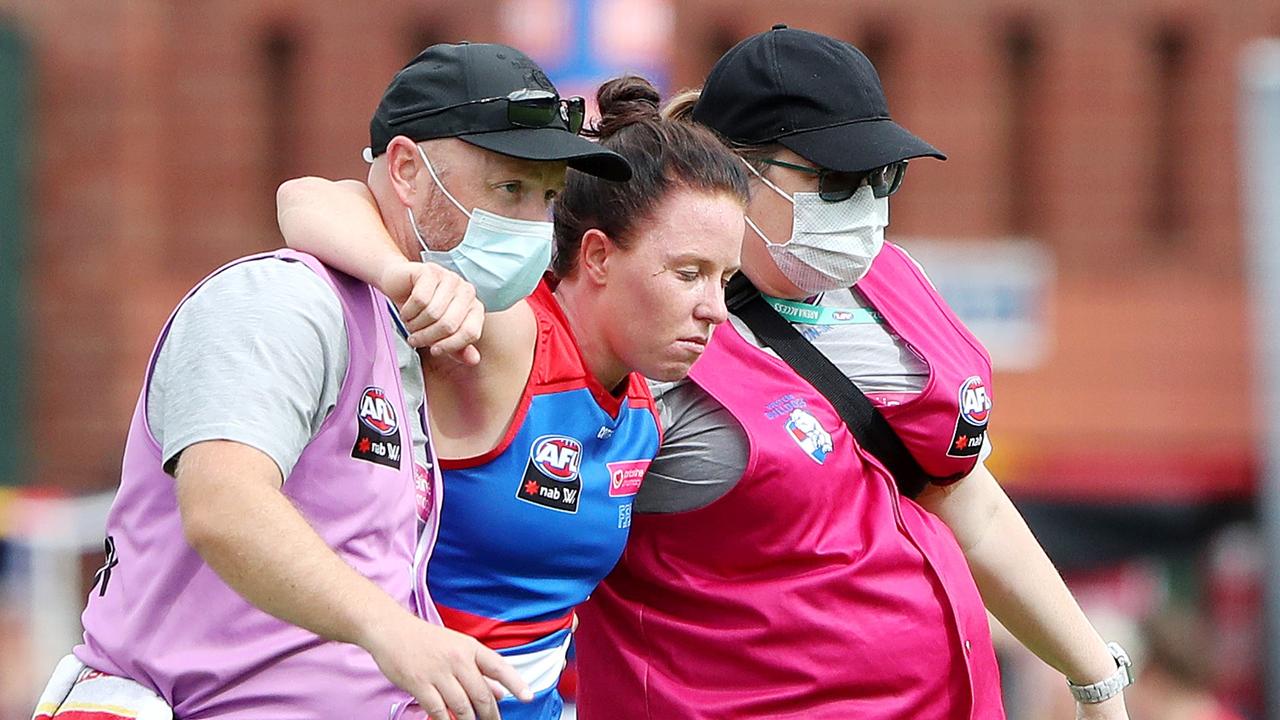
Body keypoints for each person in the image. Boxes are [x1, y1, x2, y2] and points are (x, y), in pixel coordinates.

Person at [33, 41, 634, 720]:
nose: (531, 225)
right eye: (509, 188)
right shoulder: (281, 299)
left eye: (547, 196)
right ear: (408, 169)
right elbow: (223, 506)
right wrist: (393, 631)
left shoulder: (399, 324)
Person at [571, 25, 1134, 720]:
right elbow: (517, 507)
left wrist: (1096, 681)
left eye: (880, 176)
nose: (866, 205)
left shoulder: (892, 285)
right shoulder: (641, 322)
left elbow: (969, 505)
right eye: (835, 180)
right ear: (737, 169)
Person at [275, 75, 748, 720]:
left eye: (725, 277)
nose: (715, 308)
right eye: (688, 273)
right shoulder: (505, 335)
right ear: (599, 258)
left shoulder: (643, 404)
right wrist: (402, 277)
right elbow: (304, 199)